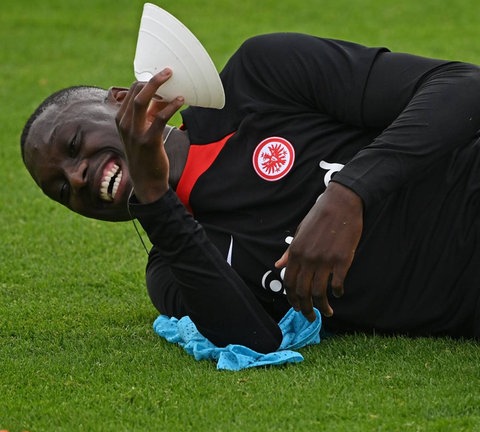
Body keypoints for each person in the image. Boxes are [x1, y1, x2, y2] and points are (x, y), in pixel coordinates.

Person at [21, 33, 480, 352]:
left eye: (74, 145)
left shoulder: (260, 77)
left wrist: (348, 194)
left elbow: (462, 86)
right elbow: (256, 340)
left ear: (121, 100)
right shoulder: (172, 273)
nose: (78, 178)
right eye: (62, 189)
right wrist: (156, 197)